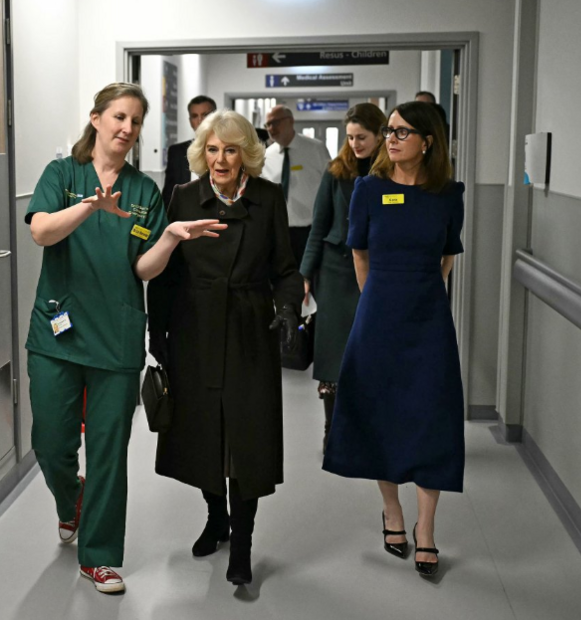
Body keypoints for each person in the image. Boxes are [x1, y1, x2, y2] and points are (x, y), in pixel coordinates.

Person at [25, 83, 225, 595]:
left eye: (135, 122)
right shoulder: (61, 175)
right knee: (51, 442)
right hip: (58, 332)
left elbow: (144, 269)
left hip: (116, 337)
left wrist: (170, 238)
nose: (126, 129)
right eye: (118, 117)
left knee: (110, 450)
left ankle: (100, 556)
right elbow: (42, 231)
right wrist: (91, 206)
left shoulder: (143, 191)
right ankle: (72, 499)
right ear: (96, 119)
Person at [148, 110, 304, 587]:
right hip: (194, 330)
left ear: (246, 157)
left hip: (248, 330)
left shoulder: (268, 198)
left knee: (246, 439)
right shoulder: (182, 198)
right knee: (202, 434)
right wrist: (159, 337)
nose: (220, 159)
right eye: (212, 149)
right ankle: (216, 517)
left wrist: (287, 308)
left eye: (230, 150)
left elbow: (286, 269)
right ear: (202, 153)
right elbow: (166, 275)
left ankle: (243, 541)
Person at [322, 101, 465, 579]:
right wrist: (376, 302)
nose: (391, 139)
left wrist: (424, 296)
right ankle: (393, 513)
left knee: (431, 416)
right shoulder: (368, 189)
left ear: (428, 141)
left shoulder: (448, 195)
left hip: (428, 320)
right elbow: (359, 255)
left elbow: (447, 258)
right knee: (381, 413)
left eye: (403, 132)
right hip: (377, 315)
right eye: (389, 131)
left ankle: (426, 528)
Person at [299, 103, 387, 453]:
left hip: (378, 271)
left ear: (380, 135)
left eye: (361, 137)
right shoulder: (335, 173)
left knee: (371, 352)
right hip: (336, 273)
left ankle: (368, 429)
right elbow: (318, 225)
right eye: (350, 137)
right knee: (333, 353)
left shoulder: (392, 174)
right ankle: (331, 430)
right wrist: (306, 273)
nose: (355, 144)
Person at [260, 105, 331, 271]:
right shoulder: (266, 156)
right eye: (267, 125)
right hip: (279, 233)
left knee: (311, 280)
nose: (271, 128)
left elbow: (330, 186)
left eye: (275, 122)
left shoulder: (315, 148)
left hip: (311, 231)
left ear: (290, 121)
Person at [161, 95, 216, 206]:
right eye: (195, 116)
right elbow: (168, 193)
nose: (200, 120)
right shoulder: (176, 152)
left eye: (205, 115)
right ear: (190, 121)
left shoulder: (231, 150)